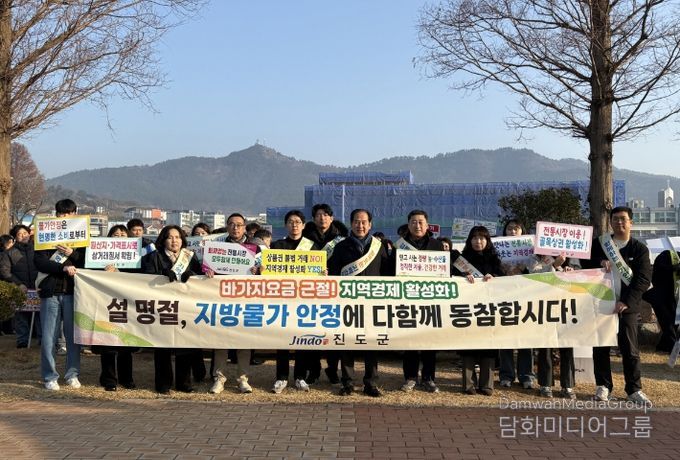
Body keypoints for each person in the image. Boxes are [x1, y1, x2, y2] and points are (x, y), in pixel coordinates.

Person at [582, 206, 652, 404]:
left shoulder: (639, 249)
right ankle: (603, 386)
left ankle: (634, 390)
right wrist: (599, 261)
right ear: (610, 222)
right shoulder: (600, 244)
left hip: (627, 306)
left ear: (631, 223)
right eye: (615, 219)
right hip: (602, 304)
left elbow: (643, 279)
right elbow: (585, 263)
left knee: (630, 349)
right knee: (601, 346)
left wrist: (626, 302)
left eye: (623, 219)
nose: (619, 222)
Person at [328, 209, 393, 397]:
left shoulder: (379, 247)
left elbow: (387, 273)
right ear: (351, 223)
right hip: (347, 302)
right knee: (347, 342)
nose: (360, 225)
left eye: (364, 222)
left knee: (371, 343)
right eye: (356, 221)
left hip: (373, 302)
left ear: (370, 224)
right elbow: (334, 273)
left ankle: (371, 383)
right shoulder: (341, 246)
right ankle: (347, 382)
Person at [142, 224, 214, 393]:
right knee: (162, 347)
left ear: (182, 240)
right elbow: (145, 277)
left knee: (185, 345)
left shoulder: (189, 256)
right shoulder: (155, 256)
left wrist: (193, 275)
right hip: (163, 308)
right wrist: (162, 274)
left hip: (185, 307)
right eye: (170, 237)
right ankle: (163, 383)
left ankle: (184, 383)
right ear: (163, 240)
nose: (174, 241)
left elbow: (199, 276)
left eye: (177, 237)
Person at [34, 199, 85, 391]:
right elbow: (39, 262)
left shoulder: (82, 237)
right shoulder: (45, 235)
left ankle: (72, 374)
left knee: (73, 337)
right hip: (50, 292)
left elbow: (87, 262)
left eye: (68, 213)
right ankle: (50, 376)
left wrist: (73, 253)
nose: (64, 216)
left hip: (73, 293)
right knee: (49, 337)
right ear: (56, 215)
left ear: (75, 214)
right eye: (61, 213)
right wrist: (62, 267)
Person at [210, 213, 259, 394]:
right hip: (222, 300)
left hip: (246, 300)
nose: (235, 228)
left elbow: (265, 273)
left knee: (244, 342)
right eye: (231, 224)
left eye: (239, 224)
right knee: (220, 342)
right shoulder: (218, 248)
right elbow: (206, 269)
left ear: (245, 227)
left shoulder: (256, 248)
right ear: (227, 227)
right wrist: (208, 271)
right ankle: (219, 378)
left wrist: (258, 271)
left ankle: (243, 379)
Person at [397, 209, 446, 393]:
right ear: (408, 224)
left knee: (429, 342)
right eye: (413, 222)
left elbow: (446, 270)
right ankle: (410, 377)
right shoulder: (400, 246)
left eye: (421, 222)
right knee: (409, 342)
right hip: (407, 299)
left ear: (427, 225)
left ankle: (428, 378)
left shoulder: (437, 245)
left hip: (430, 300)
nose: (417, 226)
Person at [452, 226, 503, 396]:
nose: (478, 241)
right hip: (467, 309)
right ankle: (469, 384)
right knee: (468, 346)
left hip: (488, 308)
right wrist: (463, 278)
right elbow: (452, 277)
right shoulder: (462, 260)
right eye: (474, 238)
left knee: (488, 345)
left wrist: (494, 277)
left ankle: (487, 385)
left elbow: (503, 277)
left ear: (487, 241)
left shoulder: (495, 259)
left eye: (482, 238)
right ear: (469, 240)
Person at [302, 203, 349, 384]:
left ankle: (332, 369)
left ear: (332, 218)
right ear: (314, 218)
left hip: (334, 290)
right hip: (311, 290)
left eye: (326, 215)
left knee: (333, 331)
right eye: (318, 215)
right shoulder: (305, 239)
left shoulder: (341, 238)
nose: (322, 218)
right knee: (311, 332)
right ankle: (313, 370)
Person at [270, 210, 313, 394]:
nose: (294, 225)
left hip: (305, 299)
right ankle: (281, 377)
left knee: (302, 339)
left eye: (297, 222)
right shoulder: (277, 246)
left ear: (303, 225)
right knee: (283, 340)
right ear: (286, 225)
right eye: (290, 222)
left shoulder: (312, 247)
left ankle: (300, 377)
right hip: (283, 299)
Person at [526, 251, 577, 400]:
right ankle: (545, 384)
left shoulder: (572, 253)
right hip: (545, 305)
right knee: (545, 345)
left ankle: (568, 385)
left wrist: (570, 270)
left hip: (566, 304)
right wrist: (554, 266)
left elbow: (581, 273)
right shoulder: (535, 257)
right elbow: (534, 274)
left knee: (567, 345)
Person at [94, 225, 138, 391]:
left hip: (127, 304)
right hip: (106, 303)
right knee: (107, 342)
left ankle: (127, 378)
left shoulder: (135, 256)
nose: (119, 237)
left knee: (125, 343)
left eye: (123, 234)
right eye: (115, 235)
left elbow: (138, 277)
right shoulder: (98, 256)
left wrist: (117, 271)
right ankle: (108, 379)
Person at [498, 219, 536, 390]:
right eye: (509, 229)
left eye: (516, 228)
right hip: (504, 297)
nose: (513, 231)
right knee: (505, 338)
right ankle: (506, 375)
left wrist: (523, 268)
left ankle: (526, 375)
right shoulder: (497, 249)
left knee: (526, 338)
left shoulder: (531, 248)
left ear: (522, 231)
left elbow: (538, 269)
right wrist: (503, 269)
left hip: (526, 296)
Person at [0, 224, 38, 348]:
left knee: (39, 314)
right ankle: (22, 340)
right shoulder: (9, 252)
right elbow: (5, 271)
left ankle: (41, 339)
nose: (23, 236)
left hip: (37, 288)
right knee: (21, 315)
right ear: (15, 237)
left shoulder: (37, 249)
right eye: (19, 234)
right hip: (20, 289)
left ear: (29, 234)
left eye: (25, 233)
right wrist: (18, 284)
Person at [644, 249, 680, 353]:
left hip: (671, 295)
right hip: (660, 295)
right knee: (668, 322)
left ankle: (663, 346)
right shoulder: (667, 255)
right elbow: (658, 275)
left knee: (672, 322)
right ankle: (673, 348)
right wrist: (675, 268)